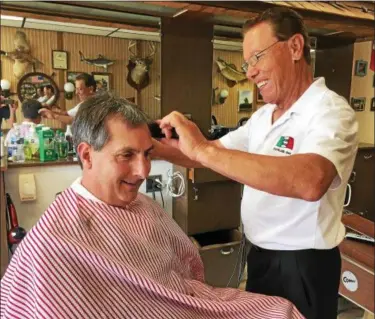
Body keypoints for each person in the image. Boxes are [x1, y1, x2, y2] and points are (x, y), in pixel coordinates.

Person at [0, 92, 303, 319]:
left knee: (281, 311)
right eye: (126, 155)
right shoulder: (52, 244)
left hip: (190, 305)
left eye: (147, 154)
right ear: (87, 155)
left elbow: (189, 267)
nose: (143, 170)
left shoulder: (142, 205)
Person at [153, 7, 358, 319]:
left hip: (302, 264)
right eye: (247, 63)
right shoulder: (263, 117)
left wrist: (204, 151)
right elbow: (207, 151)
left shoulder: (329, 111)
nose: (249, 72)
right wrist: (148, 147)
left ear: (295, 47)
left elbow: (310, 181)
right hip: (260, 256)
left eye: (257, 57)